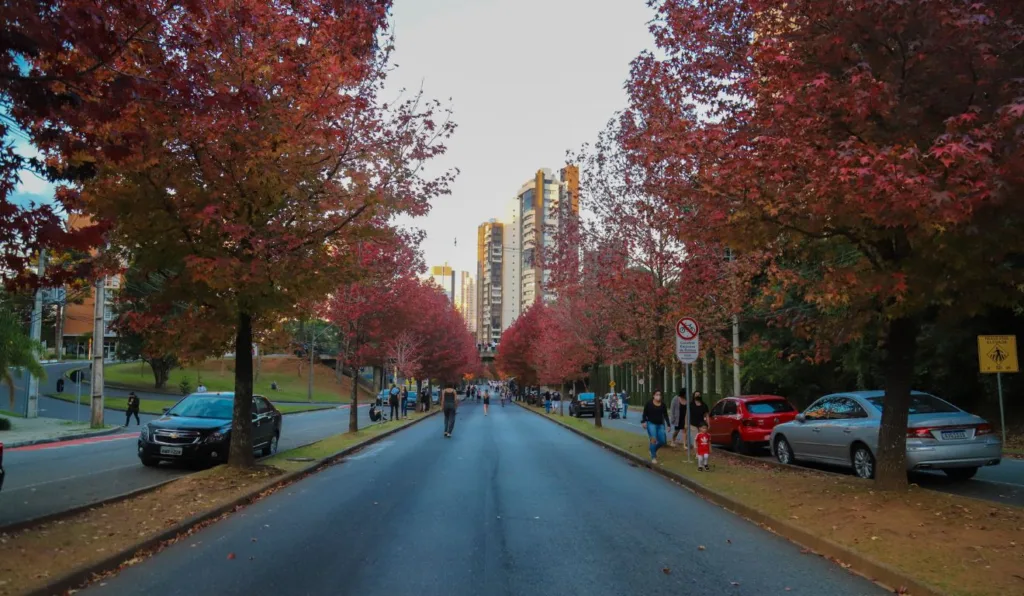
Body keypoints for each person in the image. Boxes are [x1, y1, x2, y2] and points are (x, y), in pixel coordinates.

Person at [641, 389, 670, 464]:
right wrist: (643, 421)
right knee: (653, 439)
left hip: (660, 424)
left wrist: (668, 425)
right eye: (657, 394)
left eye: (659, 395)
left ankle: (652, 450)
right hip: (651, 424)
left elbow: (666, 415)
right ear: (653, 395)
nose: (658, 396)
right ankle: (653, 457)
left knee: (662, 441)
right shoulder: (649, 403)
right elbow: (645, 413)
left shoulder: (663, 404)